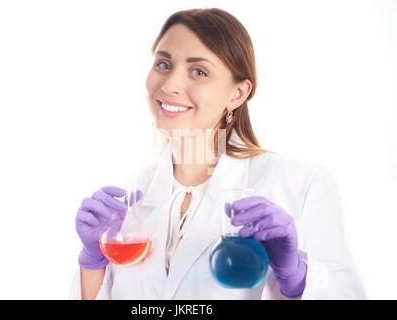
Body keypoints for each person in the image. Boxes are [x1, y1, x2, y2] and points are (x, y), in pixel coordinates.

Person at [69, 8, 363, 300]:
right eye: (163, 64)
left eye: (198, 71)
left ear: (237, 94)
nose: (170, 85)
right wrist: (92, 262)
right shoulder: (128, 196)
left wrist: (296, 279)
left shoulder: (302, 185)